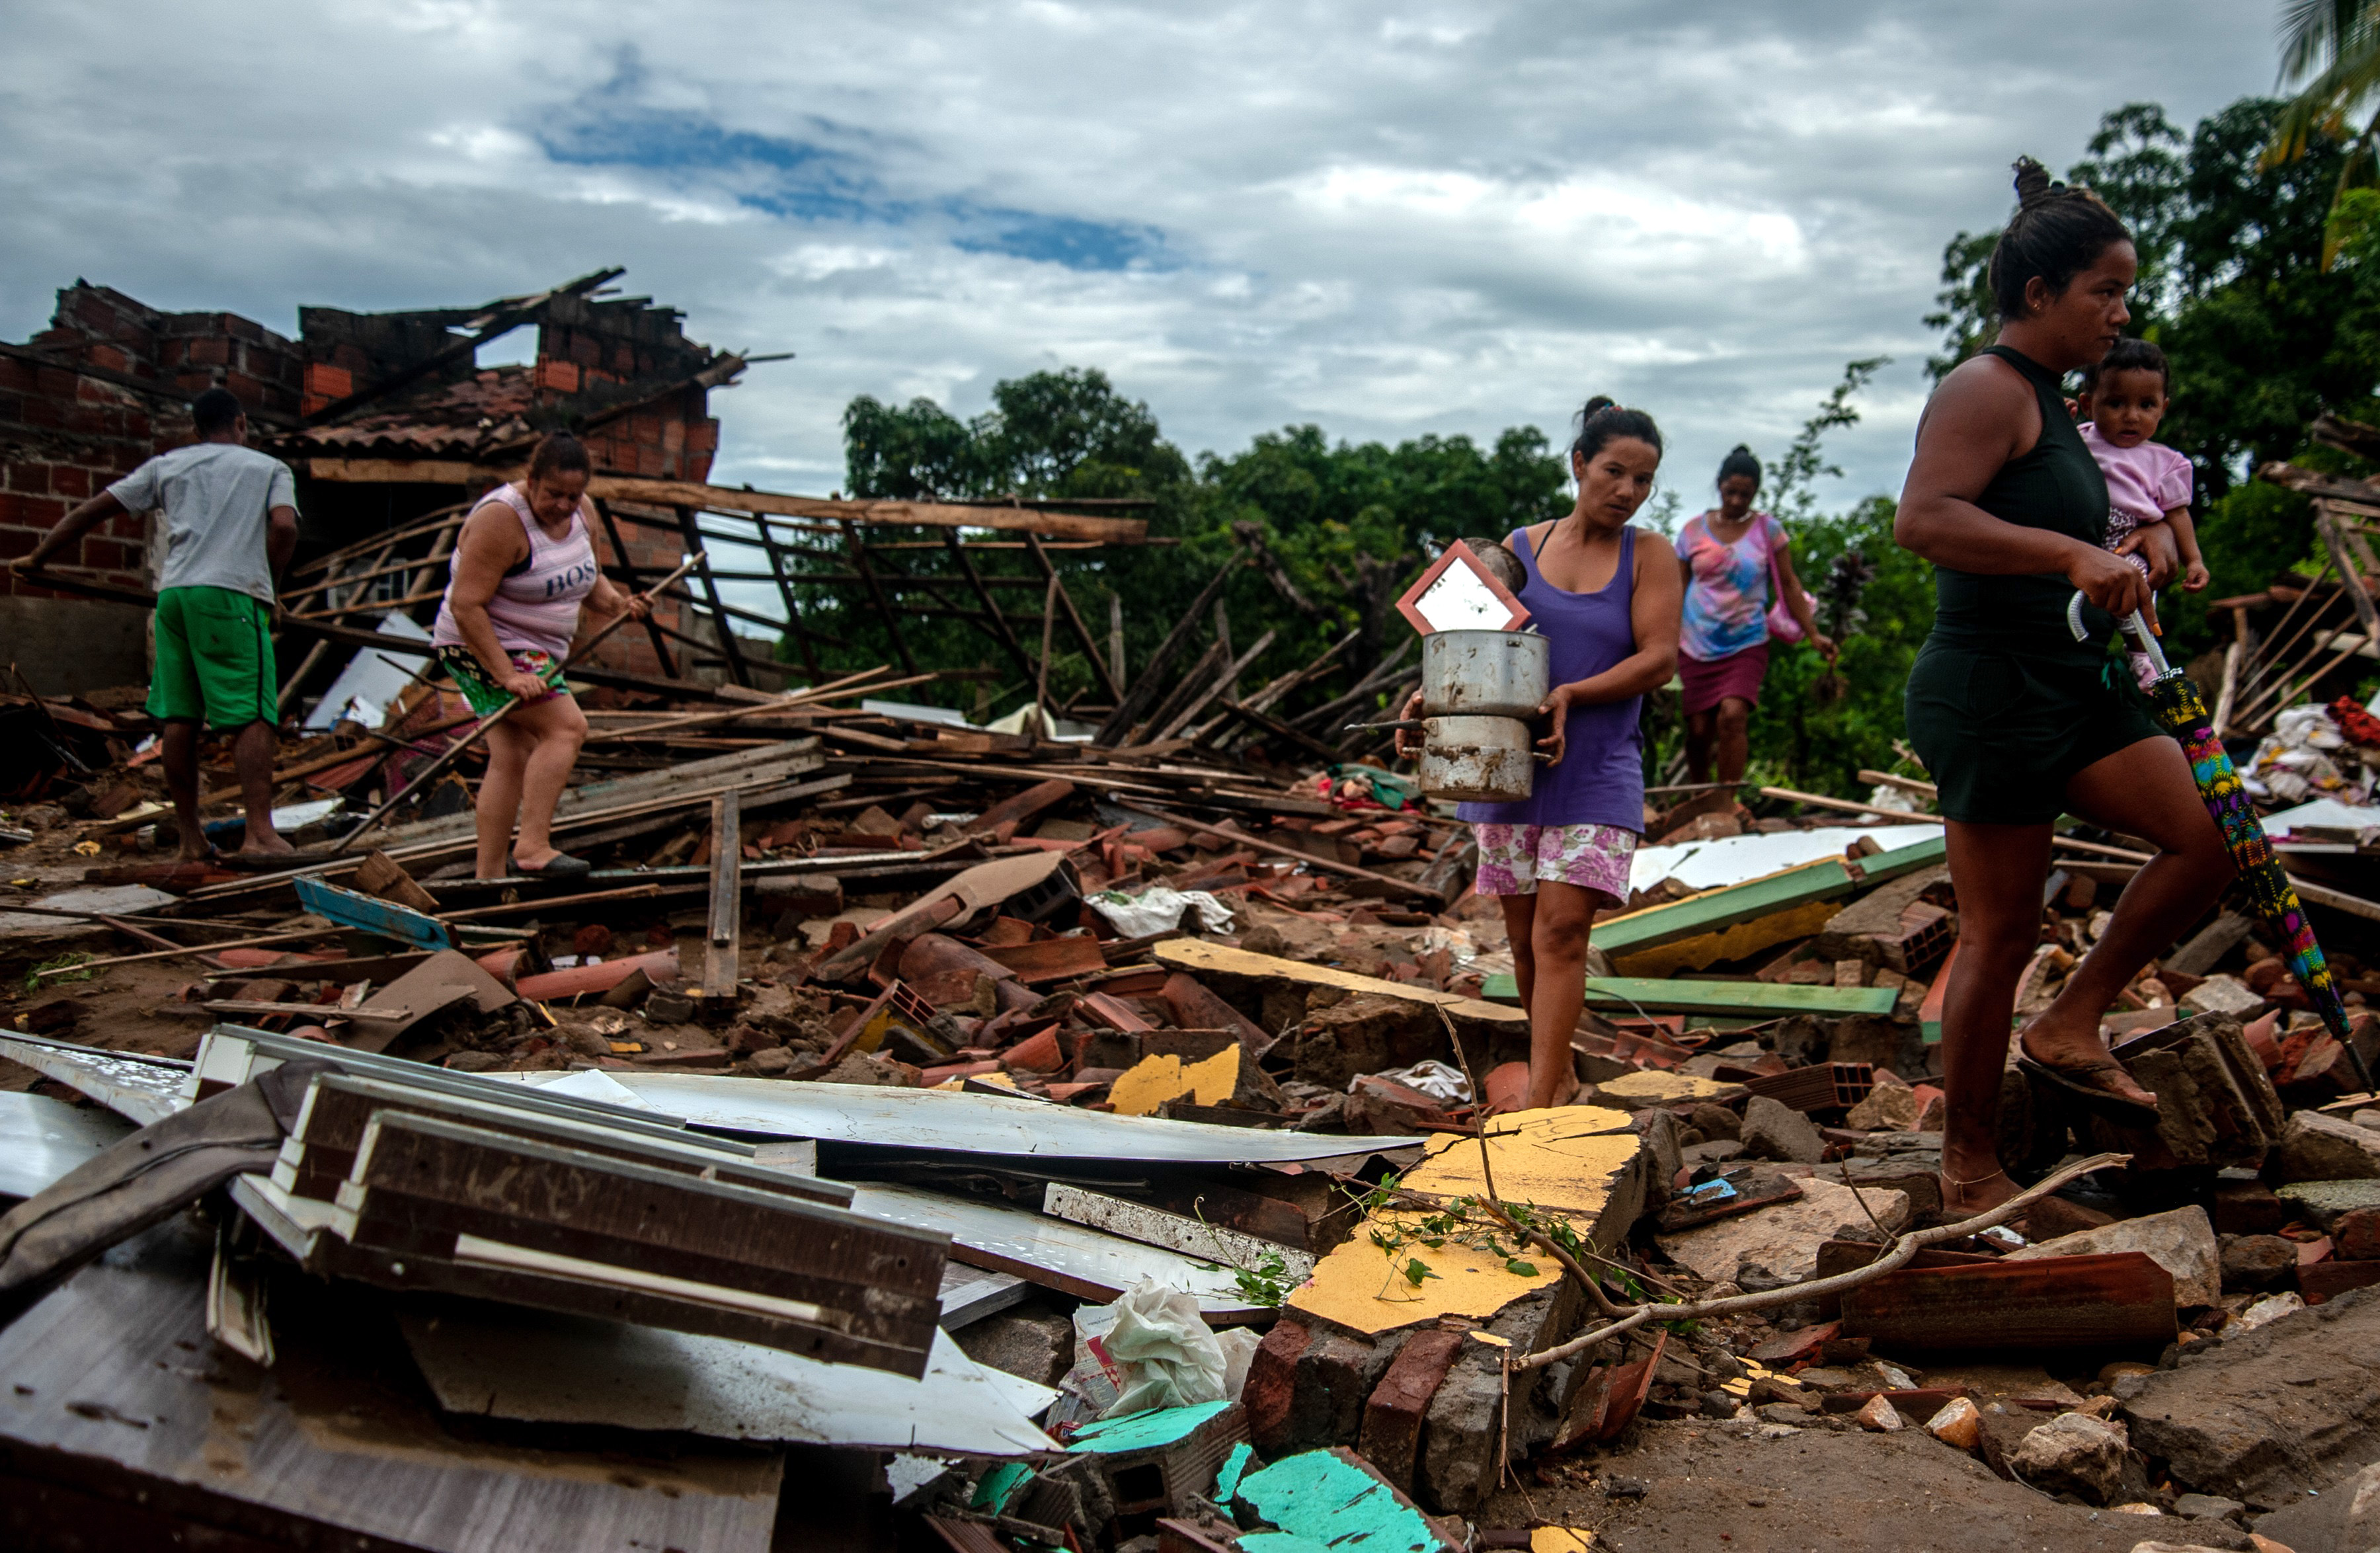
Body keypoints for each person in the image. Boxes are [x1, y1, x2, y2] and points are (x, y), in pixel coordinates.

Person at [1895, 159, 2235, 1214]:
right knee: (2001, 932)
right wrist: (2067, 556)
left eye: (2127, 292)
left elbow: (2070, 533)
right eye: (2107, 291)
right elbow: (1924, 519)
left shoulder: (2058, 404)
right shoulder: (1984, 388)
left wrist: (2127, 557)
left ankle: (2072, 1022)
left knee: (2210, 839)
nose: (2122, 312)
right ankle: (1969, 1167)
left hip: (2072, 676)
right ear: (2039, 296)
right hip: (1988, 687)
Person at [1398, 399, 1683, 1113]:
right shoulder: (1517, 548)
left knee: (1562, 933)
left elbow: (1658, 659)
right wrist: (1426, 696)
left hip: (1598, 768)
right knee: (1525, 943)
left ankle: (1542, 1106)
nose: (1627, 492)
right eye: (1615, 472)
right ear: (1579, 464)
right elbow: (1467, 642)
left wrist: (1573, 695)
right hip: (1510, 771)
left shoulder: (1649, 556)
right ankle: (1556, 1073)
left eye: (1644, 480)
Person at [11, 387, 298, 861]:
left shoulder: (169, 464)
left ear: (195, 430)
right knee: (252, 714)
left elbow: (91, 510)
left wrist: (37, 557)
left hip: (175, 595)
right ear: (241, 424)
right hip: (231, 596)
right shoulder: (268, 468)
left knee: (181, 716)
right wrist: (271, 586)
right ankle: (261, 835)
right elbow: (285, 527)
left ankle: (191, 839)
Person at [431, 432, 649, 880]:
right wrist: (506, 673)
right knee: (568, 727)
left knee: (512, 755)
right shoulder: (501, 520)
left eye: (574, 494)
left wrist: (618, 605)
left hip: (533, 647)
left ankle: (488, 879)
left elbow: (589, 578)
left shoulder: (582, 512)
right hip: (480, 642)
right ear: (530, 480)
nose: (564, 505)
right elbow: (466, 605)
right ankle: (531, 846)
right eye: (553, 494)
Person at [1674, 446, 1835, 783]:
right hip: (1694, 641)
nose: (1736, 501)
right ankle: (1699, 794)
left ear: (1755, 493)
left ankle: (1726, 799)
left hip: (1745, 640)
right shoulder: (1692, 532)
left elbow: (1789, 584)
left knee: (1732, 717)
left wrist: (1813, 633)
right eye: (1730, 492)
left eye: (1745, 495)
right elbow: (1675, 589)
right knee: (1699, 729)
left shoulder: (1769, 531)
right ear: (1719, 486)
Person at [2075, 338, 2207, 687]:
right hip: (2083, 541)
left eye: (2146, 405)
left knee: (2139, 592)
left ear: (2163, 408)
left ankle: (2140, 656)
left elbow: (2177, 515)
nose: (2132, 416)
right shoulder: (2079, 440)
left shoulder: (2167, 463)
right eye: (2116, 403)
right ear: (2089, 404)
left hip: (2128, 543)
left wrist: (2194, 561)